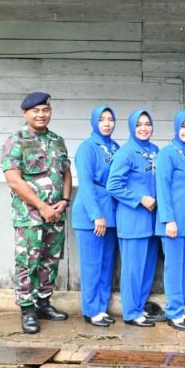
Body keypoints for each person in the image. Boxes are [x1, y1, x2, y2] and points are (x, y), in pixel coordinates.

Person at [1, 92, 72, 334]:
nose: (41, 114)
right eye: (36, 110)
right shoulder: (16, 141)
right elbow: (14, 180)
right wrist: (42, 206)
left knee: (50, 261)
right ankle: (27, 309)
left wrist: (64, 200)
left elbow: (66, 173)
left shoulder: (57, 140)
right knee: (28, 262)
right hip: (29, 216)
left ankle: (43, 303)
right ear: (25, 113)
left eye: (45, 110)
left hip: (56, 214)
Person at [106, 110, 159, 327]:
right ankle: (131, 312)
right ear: (131, 127)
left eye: (147, 124)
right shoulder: (126, 153)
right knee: (133, 268)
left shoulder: (155, 151)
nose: (144, 128)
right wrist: (139, 199)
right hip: (133, 218)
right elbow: (113, 185)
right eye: (139, 124)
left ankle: (140, 306)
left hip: (153, 220)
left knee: (147, 268)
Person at [155, 110, 185, 332]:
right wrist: (168, 220)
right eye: (184, 126)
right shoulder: (167, 154)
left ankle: (180, 308)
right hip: (174, 221)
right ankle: (173, 312)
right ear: (176, 127)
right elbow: (162, 188)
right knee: (174, 268)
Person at [72, 105, 120, 327]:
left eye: (110, 119)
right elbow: (86, 184)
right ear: (94, 122)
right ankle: (91, 310)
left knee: (106, 264)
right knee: (92, 265)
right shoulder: (87, 148)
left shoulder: (115, 148)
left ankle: (101, 308)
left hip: (111, 213)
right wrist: (96, 215)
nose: (107, 123)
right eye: (102, 119)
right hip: (91, 215)